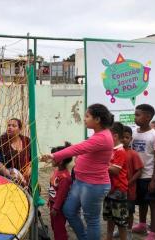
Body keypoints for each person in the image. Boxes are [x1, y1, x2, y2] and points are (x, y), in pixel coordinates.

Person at [40, 103, 113, 240]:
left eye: (87, 116)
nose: (84, 119)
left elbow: (79, 149)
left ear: (97, 119)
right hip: (80, 181)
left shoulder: (102, 137)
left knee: (91, 220)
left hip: (93, 185)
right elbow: (82, 149)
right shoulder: (98, 135)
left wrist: (55, 155)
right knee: (69, 210)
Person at [131, 104, 155, 240]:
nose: (135, 117)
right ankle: (142, 224)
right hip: (136, 175)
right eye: (135, 114)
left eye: (138, 115)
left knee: (154, 204)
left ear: (148, 117)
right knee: (141, 202)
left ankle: (153, 233)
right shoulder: (133, 132)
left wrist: (154, 180)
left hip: (149, 176)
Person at [117, 125, 144, 240]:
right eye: (122, 137)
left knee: (129, 212)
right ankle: (119, 230)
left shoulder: (133, 154)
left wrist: (129, 182)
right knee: (118, 211)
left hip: (129, 190)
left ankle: (128, 231)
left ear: (131, 139)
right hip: (117, 189)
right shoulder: (115, 152)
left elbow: (140, 171)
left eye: (127, 137)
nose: (124, 140)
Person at [103, 122, 129, 240]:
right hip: (109, 189)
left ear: (115, 136)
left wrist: (101, 165)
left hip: (119, 190)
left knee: (121, 221)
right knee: (109, 218)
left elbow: (115, 171)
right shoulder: (110, 149)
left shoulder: (120, 151)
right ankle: (109, 237)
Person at [0, 118, 31, 187]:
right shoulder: (0, 141)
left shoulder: (27, 141)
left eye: (14, 126)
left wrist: (30, 168)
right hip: (8, 174)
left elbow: (32, 159)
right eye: (9, 125)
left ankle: (24, 183)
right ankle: (15, 180)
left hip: (25, 174)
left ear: (20, 129)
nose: (10, 127)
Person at [48, 142, 73, 240]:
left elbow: (61, 195)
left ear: (61, 161)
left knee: (59, 229)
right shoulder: (56, 171)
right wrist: (49, 200)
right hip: (52, 204)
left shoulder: (65, 177)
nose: (51, 159)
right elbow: (52, 187)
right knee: (54, 226)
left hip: (58, 208)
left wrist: (55, 208)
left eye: (53, 157)